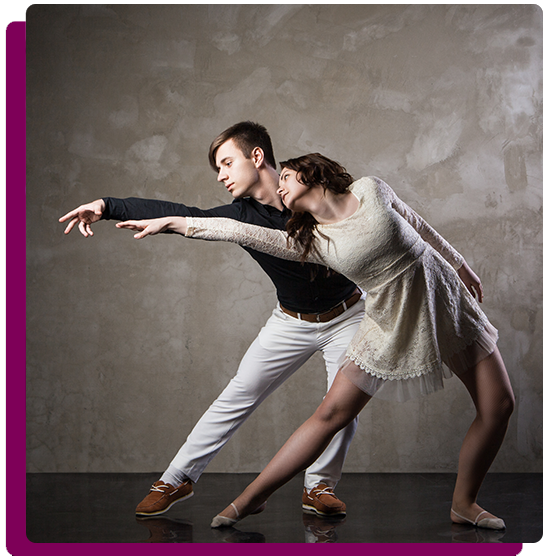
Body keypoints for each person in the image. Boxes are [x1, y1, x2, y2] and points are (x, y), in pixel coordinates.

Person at [117, 153, 515, 531]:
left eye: (286, 177)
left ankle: (464, 504)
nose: (280, 187)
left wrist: (460, 264)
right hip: (388, 323)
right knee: (330, 415)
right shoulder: (313, 243)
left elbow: (418, 223)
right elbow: (235, 230)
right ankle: (251, 497)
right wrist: (171, 222)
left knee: (499, 405)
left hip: (444, 300)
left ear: (311, 174)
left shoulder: (371, 189)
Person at [59, 123, 367, 518]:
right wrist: (105, 206)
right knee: (236, 396)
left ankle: (318, 485)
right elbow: (186, 215)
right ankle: (176, 479)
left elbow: (373, 220)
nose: (221, 175)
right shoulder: (239, 215)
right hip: (290, 321)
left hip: (348, 315)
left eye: (226, 163)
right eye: (217, 168)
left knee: (342, 404)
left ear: (256, 157)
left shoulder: (309, 189)